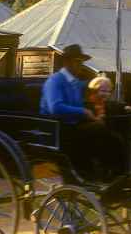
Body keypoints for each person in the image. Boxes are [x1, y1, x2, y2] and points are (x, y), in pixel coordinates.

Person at [40, 45, 124, 181]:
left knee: (114, 132)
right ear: (67, 63)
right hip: (59, 129)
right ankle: (101, 172)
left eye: (81, 62)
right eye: (78, 62)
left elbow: (94, 89)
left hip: (74, 125)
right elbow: (55, 108)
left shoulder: (75, 82)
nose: (80, 66)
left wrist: (121, 105)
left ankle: (112, 172)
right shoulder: (55, 81)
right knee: (100, 129)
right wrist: (84, 112)